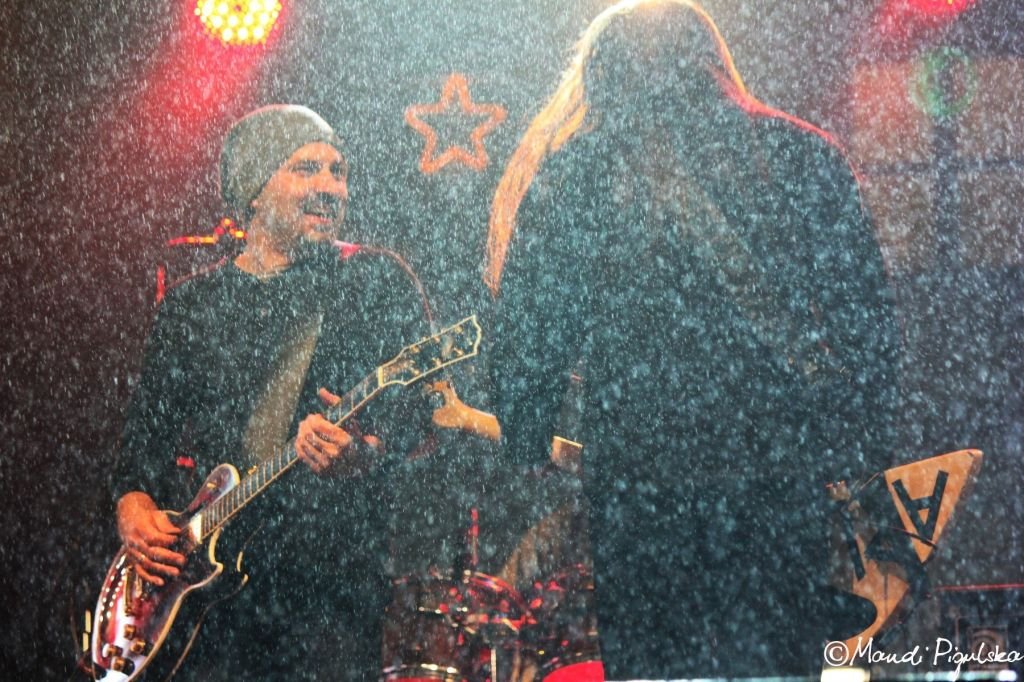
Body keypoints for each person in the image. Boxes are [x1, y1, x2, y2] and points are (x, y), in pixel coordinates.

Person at [486, 1, 902, 677]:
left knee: (657, 665)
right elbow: (868, 323)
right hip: (776, 483)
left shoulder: (575, 174)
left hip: (642, 491)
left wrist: (527, 435)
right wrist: (857, 444)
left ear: (602, 74)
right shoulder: (801, 153)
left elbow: (530, 334)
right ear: (713, 61)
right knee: (771, 664)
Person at [113, 104, 432, 680]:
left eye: (338, 171)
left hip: (328, 592)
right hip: (208, 599)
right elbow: (142, 443)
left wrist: (363, 454)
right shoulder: (190, 306)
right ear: (254, 191)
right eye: (307, 168)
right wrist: (132, 510)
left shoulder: (375, 282)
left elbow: (423, 423)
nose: (330, 187)